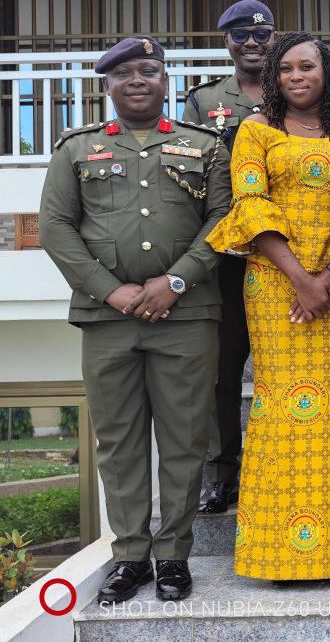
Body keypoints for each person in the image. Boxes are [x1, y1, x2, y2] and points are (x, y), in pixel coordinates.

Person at [39, 36, 230, 602]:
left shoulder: (205, 146)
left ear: (166, 81)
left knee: (185, 438)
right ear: (108, 86)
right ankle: (130, 556)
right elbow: (55, 228)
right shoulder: (77, 147)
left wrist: (174, 282)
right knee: (119, 441)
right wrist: (111, 291)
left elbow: (223, 220)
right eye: (124, 73)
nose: (138, 80)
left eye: (149, 70)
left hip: (187, 314)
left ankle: (172, 556)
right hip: (107, 321)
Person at [205, 32, 330, 581]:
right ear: (275, 79)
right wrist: (301, 278)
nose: (296, 76)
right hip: (274, 285)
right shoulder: (255, 132)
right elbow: (250, 206)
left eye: (307, 66)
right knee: (279, 404)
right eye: (285, 69)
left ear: (328, 72)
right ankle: (277, 552)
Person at [181, 0, 276, 516]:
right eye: (241, 36)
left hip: (284, 253)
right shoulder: (204, 101)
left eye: (262, 36)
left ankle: (276, 464)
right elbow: (191, 175)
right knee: (222, 372)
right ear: (227, 43)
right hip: (226, 256)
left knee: (280, 366)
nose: (253, 45)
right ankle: (224, 474)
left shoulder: (296, 88)